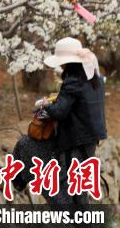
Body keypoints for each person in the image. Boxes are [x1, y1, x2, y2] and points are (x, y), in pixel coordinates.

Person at [39, 37, 107, 205]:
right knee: (81, 185)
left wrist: (46, 105)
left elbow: (59, 112)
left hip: (75, 140)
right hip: (91, 137)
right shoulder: (94, 76)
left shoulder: (73, 81)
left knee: (72, 186)